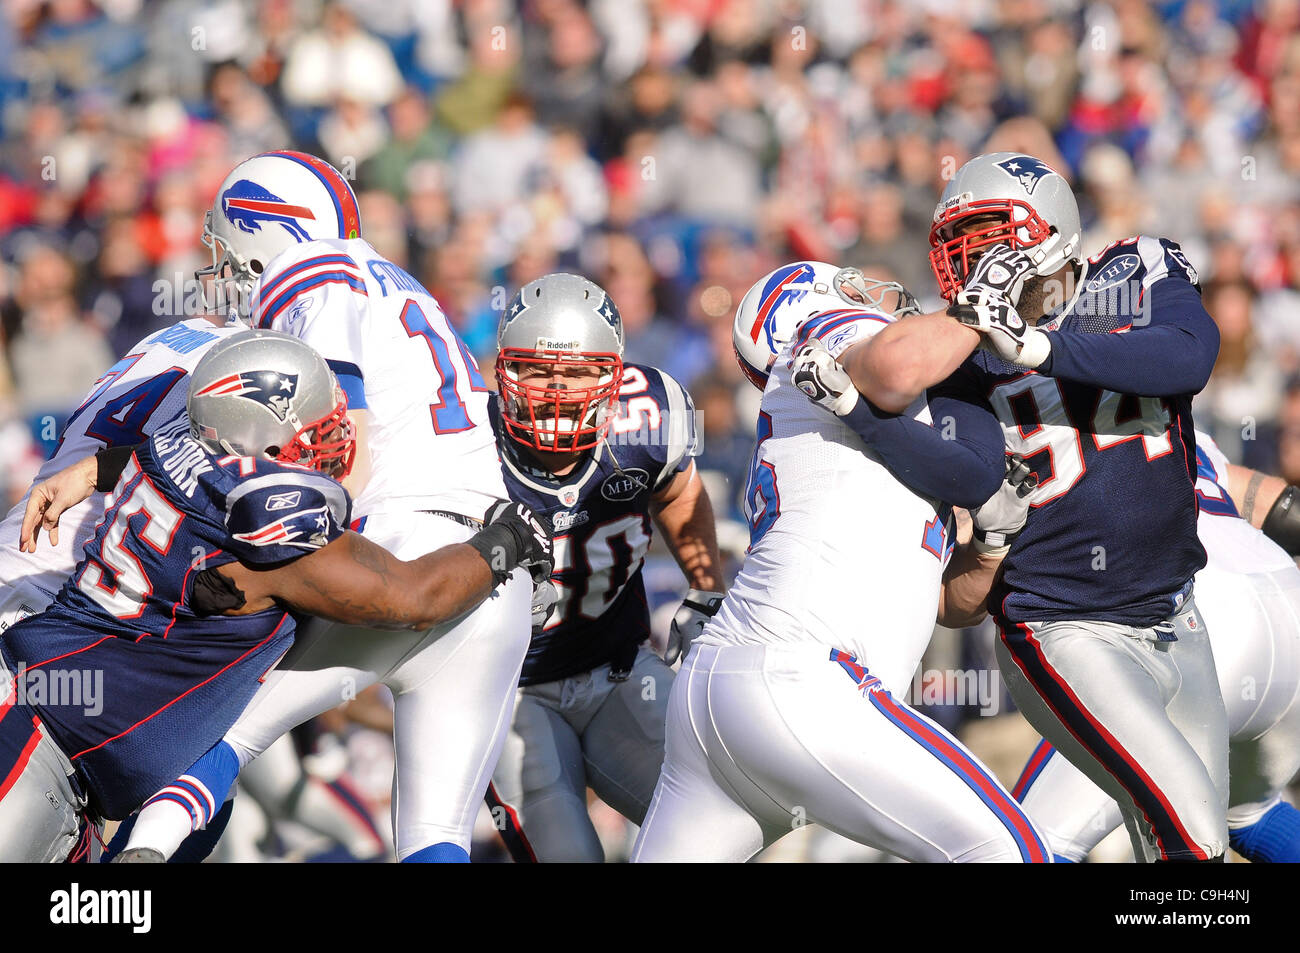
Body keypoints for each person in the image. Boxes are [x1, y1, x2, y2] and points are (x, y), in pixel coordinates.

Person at [104, 150, 540, 863]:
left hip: (396, 546)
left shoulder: (312, 278)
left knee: (210, 737)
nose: (223, 268)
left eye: (227, 244)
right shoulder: (397, 284)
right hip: (495, 564)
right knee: (434, 839)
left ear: (261, 231)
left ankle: (128, 876)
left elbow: (345, 450)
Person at [0, 330, 551, 862]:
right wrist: (509, 537)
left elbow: (149, 461)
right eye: (314, 434)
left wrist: (95, 467)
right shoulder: (269, 523)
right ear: (260, 443)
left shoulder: (178, 446)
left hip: (51, 727)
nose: (334, 446)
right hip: (39, 741)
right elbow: (414, 599)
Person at [822, 152, 1226, 862]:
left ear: (1053, 233)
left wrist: (1037, 345)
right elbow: (977, 470)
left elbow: (1187, 357)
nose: (977, 263)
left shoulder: (1132, 269)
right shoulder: (966, 355)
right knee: (1194, 840)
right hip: (1062, 626)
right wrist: (864, 411)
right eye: (961, 247)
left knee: (1176, 842)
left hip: (1178, 614)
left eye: (992, 237)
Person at [631, 261, 1049, 863]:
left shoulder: (848, 438)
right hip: (806, 683)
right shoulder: (826, 332)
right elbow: (894, 365)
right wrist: (981, 306)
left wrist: (989, 545)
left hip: (726, 696)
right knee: (1005, 852)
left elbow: (944, 607)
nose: (869, 294)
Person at [483, 273, 724, 862]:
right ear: (504, 371)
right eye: (537, 369)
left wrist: (705, 589)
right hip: (506, 694)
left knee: (718, 828)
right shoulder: (466, 439)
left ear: (614, 376)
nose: (557, 390)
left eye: (580, 371)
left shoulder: (649, 415)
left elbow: (677, 491)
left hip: (620, 670)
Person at [1012, 433, 1300, 863]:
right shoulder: (1165, 402)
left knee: (1023, 842)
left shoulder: (1009, 416)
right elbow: (1285, 510)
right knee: (1245, 814)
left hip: (1191, 616)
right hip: (1286, 597)